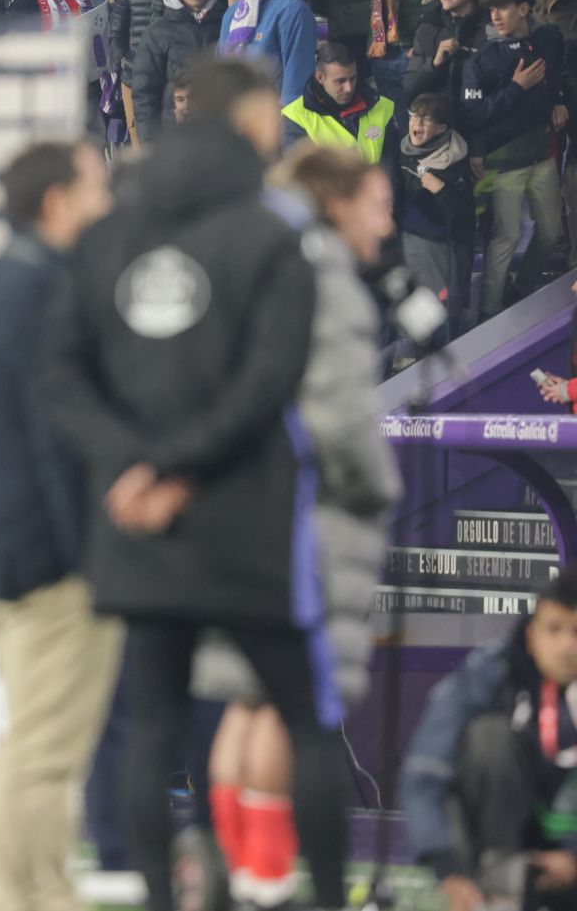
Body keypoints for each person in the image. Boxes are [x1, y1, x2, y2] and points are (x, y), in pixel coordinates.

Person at [40, 60, 348, 911]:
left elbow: (60, 374)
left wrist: (134, 467)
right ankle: (324, 899)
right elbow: (270, 381)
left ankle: (155, 897)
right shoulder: (272, 231)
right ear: (252, 123)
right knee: (307, 720)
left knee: (151, 725)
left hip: (137, 525)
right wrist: (180, 468)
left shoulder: (108, 233)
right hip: (245, 516)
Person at [197, 144, 404, 911]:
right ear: (338, 203)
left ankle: (239, 875)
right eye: (378, 204)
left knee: (246, 700)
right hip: (305, 523)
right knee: (288, 708)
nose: (386, 226)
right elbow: (342, 421)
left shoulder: (255, 261)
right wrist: (382, 485)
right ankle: (272, 880)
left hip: (238, 514)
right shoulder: (329, 283)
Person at [0, 139, 118, 911]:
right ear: (57, 201)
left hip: (0, 546)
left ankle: (40, 887)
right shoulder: (52, 290)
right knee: (44, 748)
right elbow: (59, 437)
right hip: (51, 557)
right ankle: (19, 895)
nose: (107, 200)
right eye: (95, 186)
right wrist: (91, 552)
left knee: (34, 741)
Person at [403, 571, 577, 911]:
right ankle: (496, 885)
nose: (566, 647)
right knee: (487, 737)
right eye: (554, 629)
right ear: (531, 635)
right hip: (507, 851)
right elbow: (424, 774)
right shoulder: (487, 674)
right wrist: (448, 871)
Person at [461, 0, 570, 317]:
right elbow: (473, 114)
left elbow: (559, 77)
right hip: (502, 164)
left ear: (524, 9)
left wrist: (559, 101)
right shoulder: (481, 60)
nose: (495, 16)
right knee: (505, 238)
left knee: (551, 233)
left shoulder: (550, 38)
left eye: (503, 8)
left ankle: (523, 290)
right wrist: (516, 89)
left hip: (542, 156)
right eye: (492, 9)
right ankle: (491, 313)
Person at [392, 92, 476, 335]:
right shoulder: (402, 149)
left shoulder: (454, 162)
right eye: (413, 117)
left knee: (440, 311)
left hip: (440, 245)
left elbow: (464, 220)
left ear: (441, 128)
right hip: (409, 237)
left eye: (425, 120)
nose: (416, 124)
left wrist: (440, 191)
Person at [130, 0, 223, 140]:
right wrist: (151, 147)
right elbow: (144, 95)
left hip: (221, 135)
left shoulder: (228, 22)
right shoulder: (157, 33)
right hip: (174, 138)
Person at [282, 43, 399, 158]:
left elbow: (393, 166)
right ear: (320, 78)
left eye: (352, 79)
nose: (348, 88)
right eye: (340, 81)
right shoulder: (296, 117)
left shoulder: (381, 106)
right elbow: (301, 173)